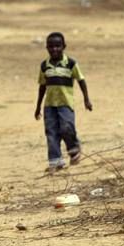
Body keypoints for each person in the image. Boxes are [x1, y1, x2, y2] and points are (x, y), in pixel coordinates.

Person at [34, 31, 93, 171]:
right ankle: (55, 161)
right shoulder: (44, 66)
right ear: (47, 47)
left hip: (66, 104)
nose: (54, 49)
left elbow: (81, 80)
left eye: (58, 46)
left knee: (66, 127)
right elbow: (42, 87)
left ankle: (74, 148)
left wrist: (86, 99)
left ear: (64, 46)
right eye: (51, 46)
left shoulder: (71, 64)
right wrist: (37, 107)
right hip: (49, 105)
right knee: (51, 132)